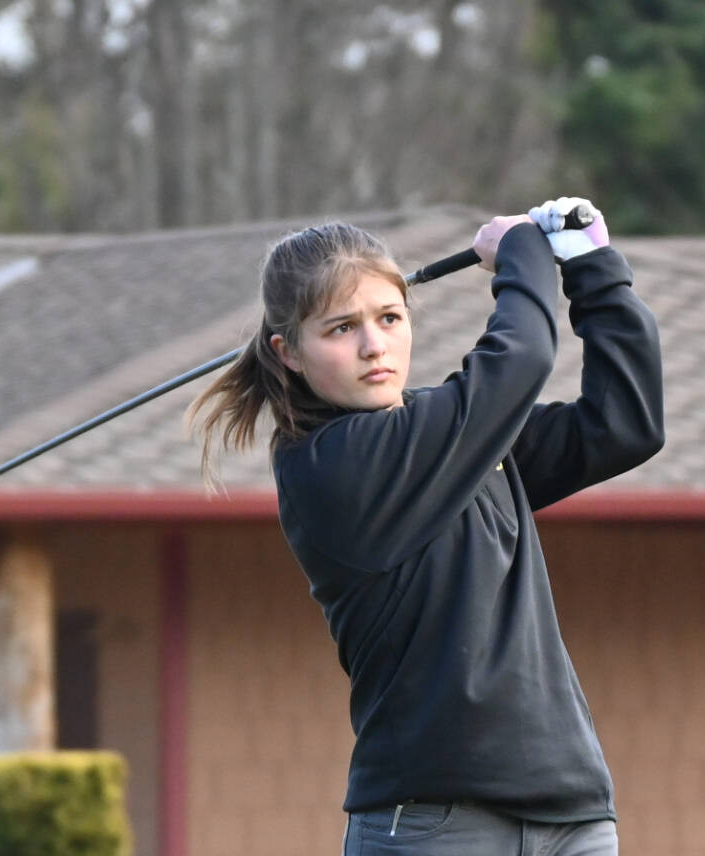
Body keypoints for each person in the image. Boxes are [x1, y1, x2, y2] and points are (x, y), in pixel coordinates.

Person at [190, 198, 664, 854]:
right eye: (340, 329)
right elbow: (518, 358)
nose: (373, 346)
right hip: (433, 825)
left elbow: (624, 424)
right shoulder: (331, 467)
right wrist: (520, 253)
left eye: (388, 317)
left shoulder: (447, 432)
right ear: (288, 352)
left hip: (572, 813)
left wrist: (594, 270)